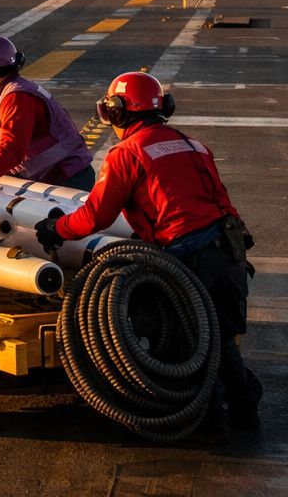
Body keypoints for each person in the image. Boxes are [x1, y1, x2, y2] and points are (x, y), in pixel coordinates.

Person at [33, 72, 260, 436]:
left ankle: (212, 427)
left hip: (189, 258)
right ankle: (247, 414)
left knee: (193, 344)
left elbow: (97, 215)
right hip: (229, 252)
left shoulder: (128, 153)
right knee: (221, 335)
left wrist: (55, 230)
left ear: (118, 112)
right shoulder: (193, 144)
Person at [0, 34, 94, 197]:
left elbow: (12, 149)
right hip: (57, 177)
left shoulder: (17, 99)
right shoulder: (11, 94)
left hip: (67, 180)